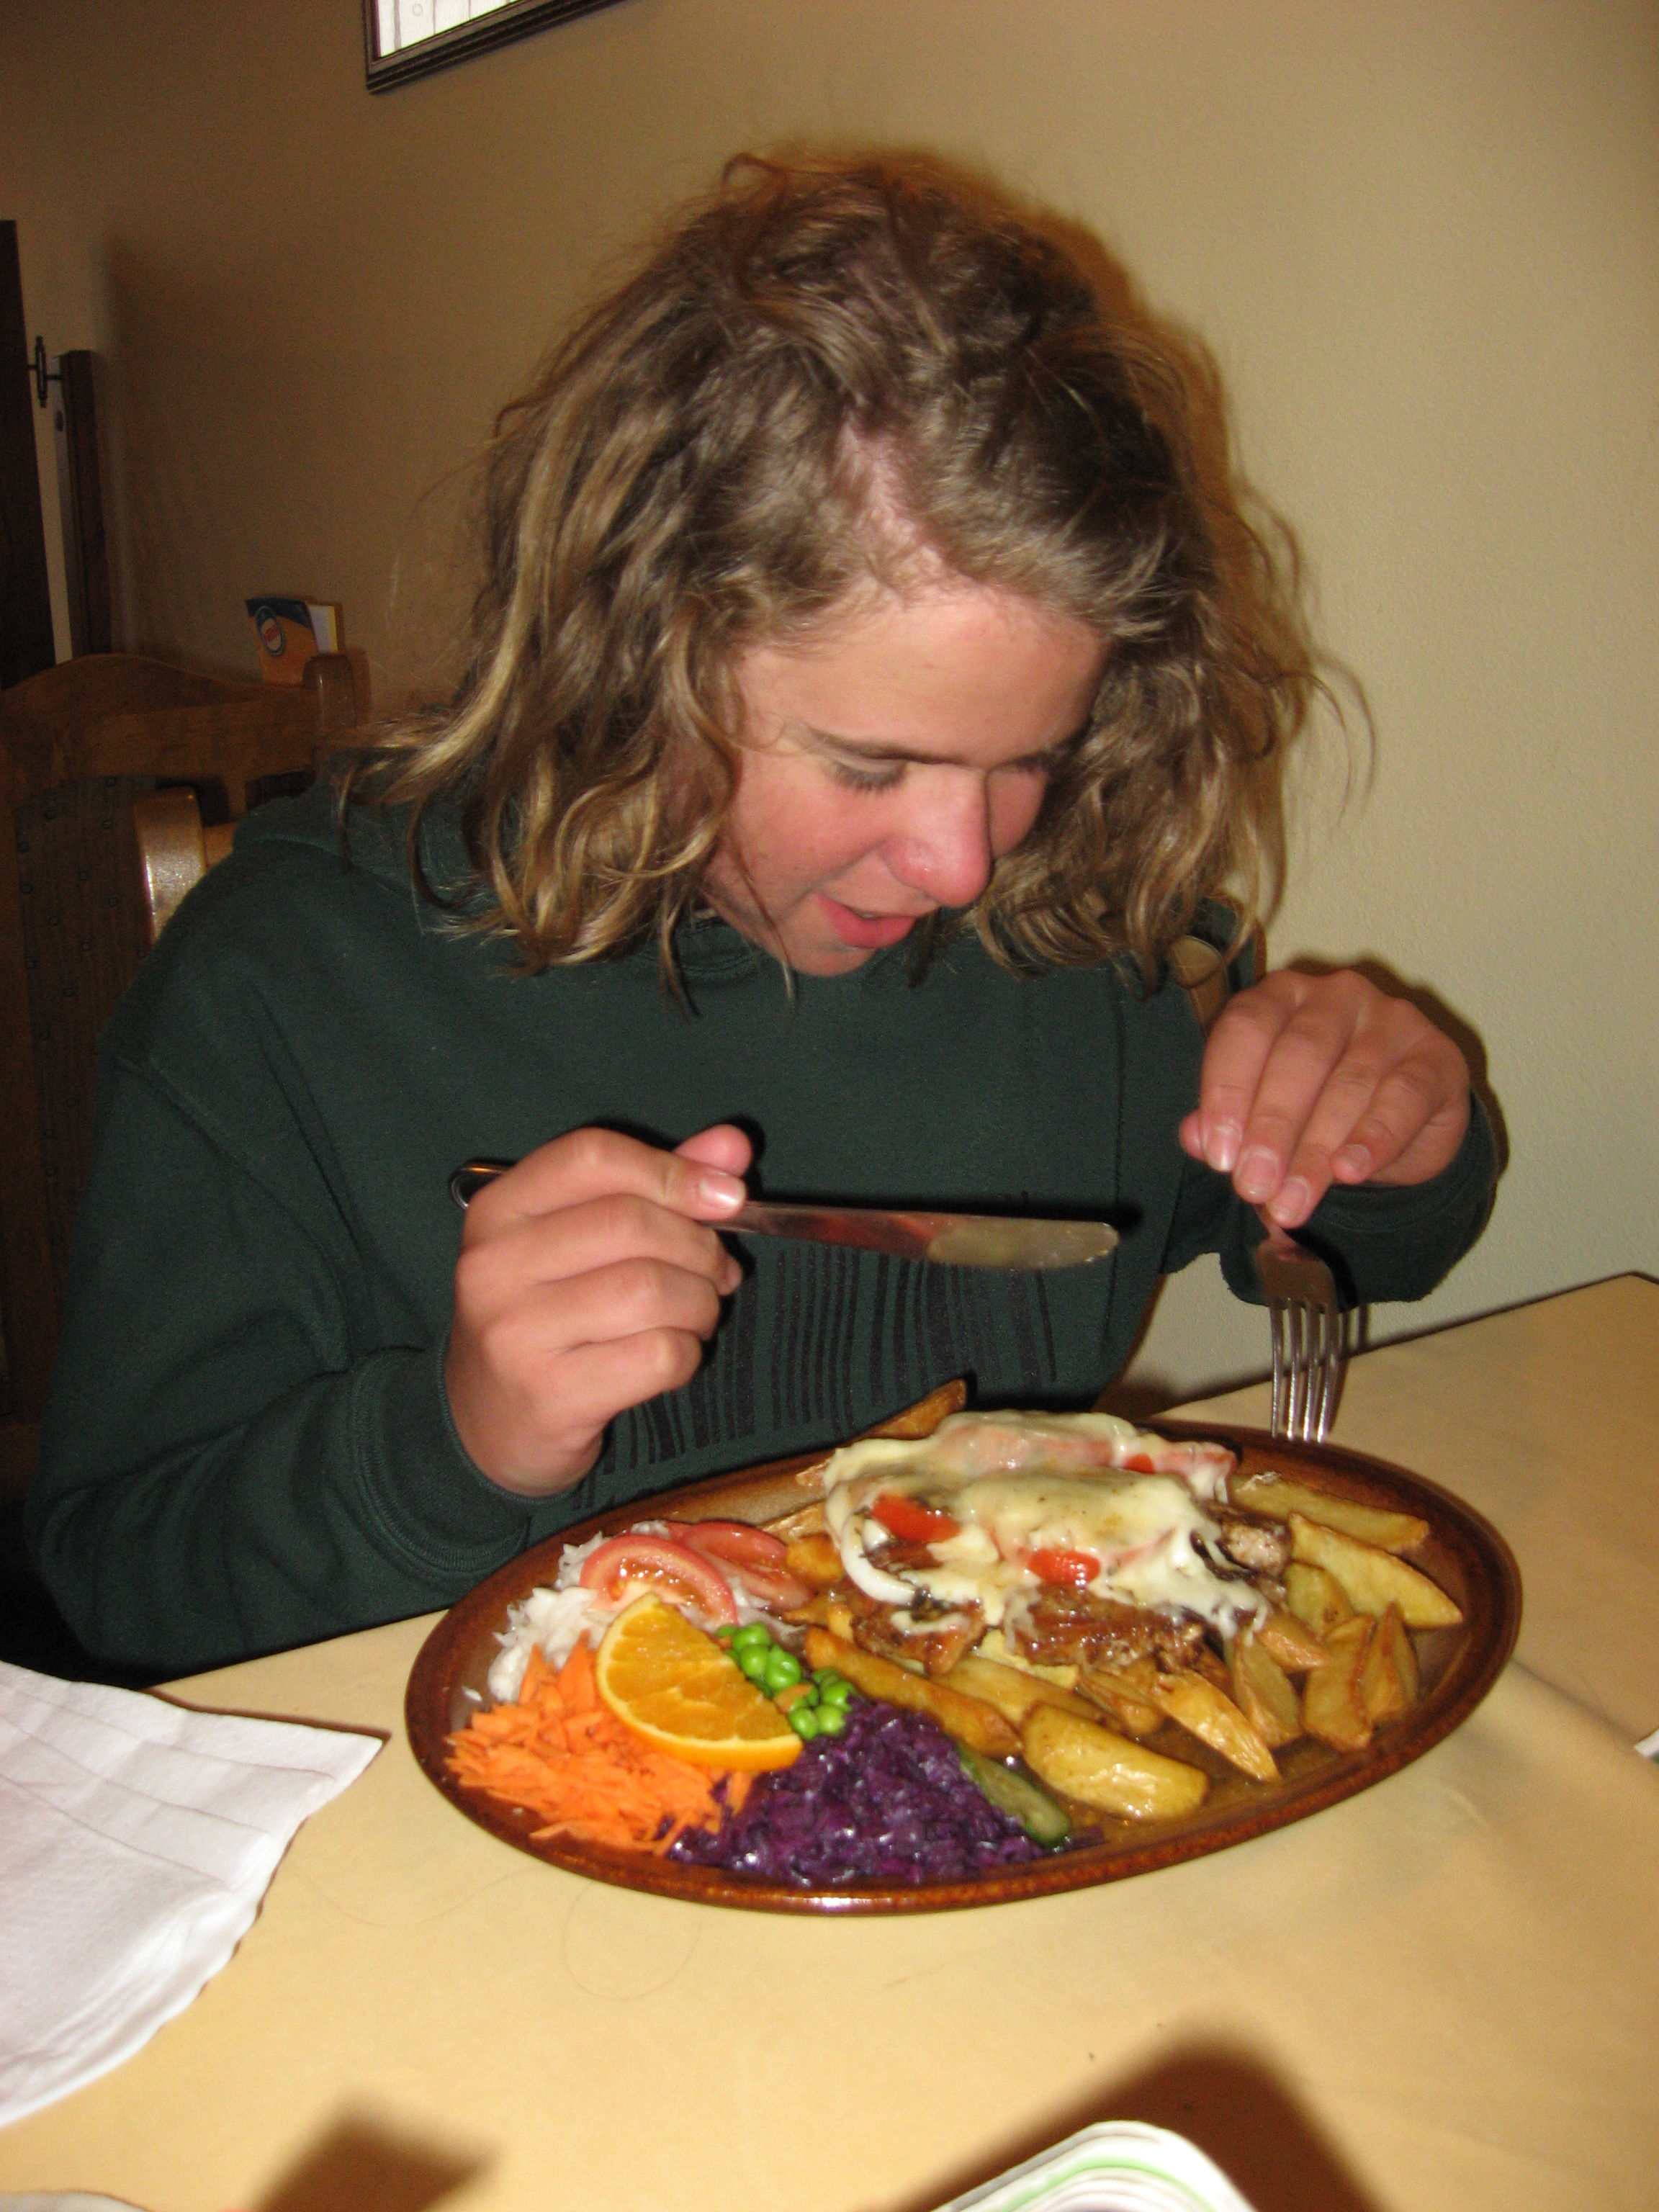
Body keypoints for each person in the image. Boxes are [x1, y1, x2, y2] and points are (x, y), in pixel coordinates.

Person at [27, 154, 1496, 1674]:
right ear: (636, 651)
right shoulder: (289, 984)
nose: (963, 865)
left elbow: (1309, 1234)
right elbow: (118, 1576)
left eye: (1030, 759)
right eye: (868, 765)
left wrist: (1390, 1127)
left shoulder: (1065, 920)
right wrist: (451, 1439)